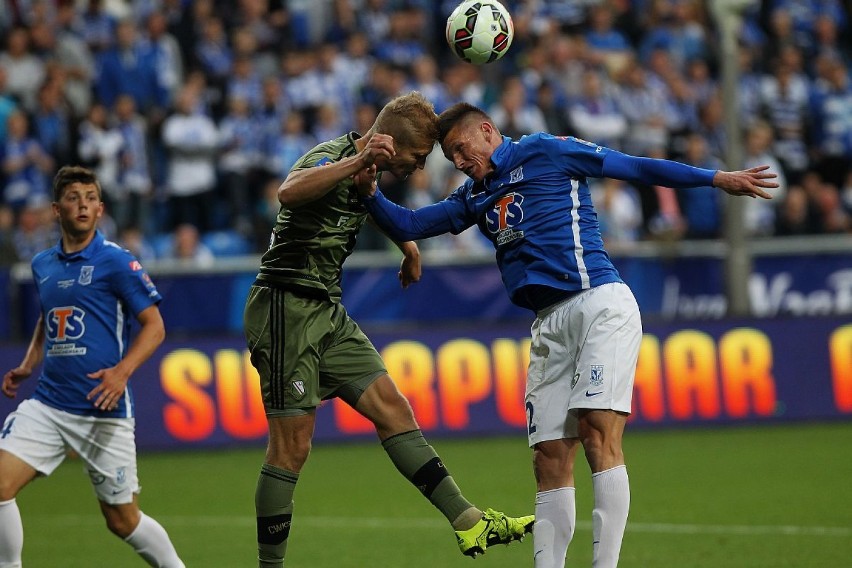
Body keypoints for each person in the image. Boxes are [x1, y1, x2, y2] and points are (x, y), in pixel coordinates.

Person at [354, 102, 778, 568]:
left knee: (597, 431)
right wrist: (369, 189)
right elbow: (409, 224)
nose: (456, 161)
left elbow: (633, 166)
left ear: (487, 130)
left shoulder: (545, 150)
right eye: (449, 156)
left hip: (599, 303)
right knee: (549, 459)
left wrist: (716, 178)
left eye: (459, 148)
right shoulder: (473, 195)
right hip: (548, 326)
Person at [242, 91, 533, 568]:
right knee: (291, 446)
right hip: (284, 306)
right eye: (419, 157)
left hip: (327, 312)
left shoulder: (370, 171)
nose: (420, 168)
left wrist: (410, 248)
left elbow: (366, 201)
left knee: (392, 407)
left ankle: (468, 521)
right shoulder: (337, 154)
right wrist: (357, 159)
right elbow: (288, 191)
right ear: (393, 143)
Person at [0, 166, 185, 568]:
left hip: (103, 407)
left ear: (100, 210)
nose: (82, 204)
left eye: (89, 198)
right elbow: (47, 317)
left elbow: (154, 327)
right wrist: (29, 363)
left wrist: (121, 373)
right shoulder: (42, 265)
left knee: (122, 520)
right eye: (73, 197)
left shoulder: (117, 261)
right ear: (56, 209)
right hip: (49, 405)